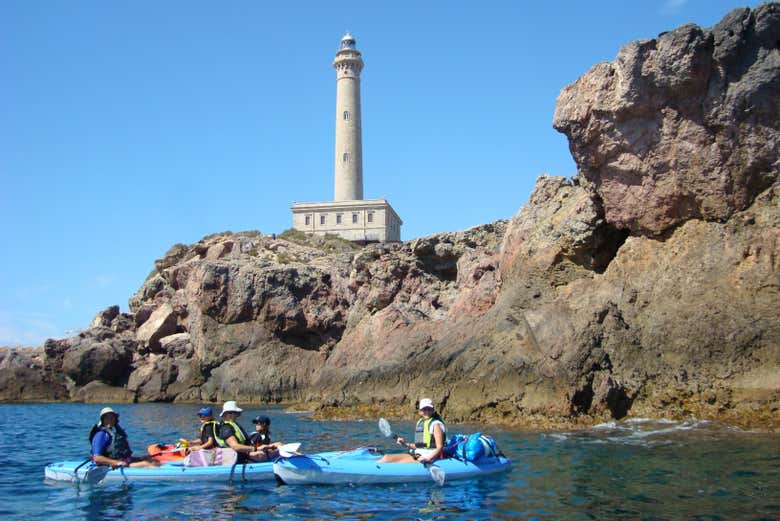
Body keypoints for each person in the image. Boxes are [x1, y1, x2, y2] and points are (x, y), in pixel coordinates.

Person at [379, 398, 446, 464]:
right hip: (418, 454)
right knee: (386, 457)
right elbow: (420, 446)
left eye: (429, 409)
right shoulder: (421, 423)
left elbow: (439, 447)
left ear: (433, 410)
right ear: (420, 411)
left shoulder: (436, 425)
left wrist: (428, 458)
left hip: (428, 457)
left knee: (386, 459)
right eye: (424, 409)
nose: (427, 411)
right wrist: (404, 444)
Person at [89, 407, 160, 468]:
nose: (110, 420)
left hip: (120, 460)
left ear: (115, 419)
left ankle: (163, 468)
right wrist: (116, 462)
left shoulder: (113, 432)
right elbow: (97, 458)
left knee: (150, 460)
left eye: (112, 418)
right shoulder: (100, 435)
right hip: (106, 465)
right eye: (107, 418)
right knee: (146, 464)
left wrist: (139, 458)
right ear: (102, 420)